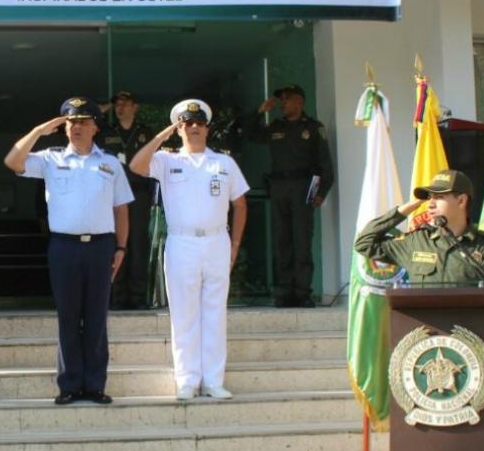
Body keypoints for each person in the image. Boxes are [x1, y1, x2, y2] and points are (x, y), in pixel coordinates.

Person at [5, 97, 133, 405]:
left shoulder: (111, 163)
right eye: (72, 123)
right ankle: (70, 385)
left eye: (83, 122)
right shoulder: (51, 158)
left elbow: (121, 210)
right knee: (68, 317)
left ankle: (95, 385)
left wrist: (121, 247)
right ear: (64, 128)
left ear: (95, 127)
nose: (77, 128)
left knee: (96, 317)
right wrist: (39, 131)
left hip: (101, 247)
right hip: (64, 247)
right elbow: (13, 161)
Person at [130, 99, 249, 400]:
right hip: (181, 242)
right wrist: (161, 136)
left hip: (216, 241)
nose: (194, 127)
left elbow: (240, 204)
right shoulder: (167, 160)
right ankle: (187, 379)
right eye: (187, 123)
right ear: (179, 128)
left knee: (215, 312)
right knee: (184, 314)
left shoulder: (223, 163)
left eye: (199, 123)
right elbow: (136, 165)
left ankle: (213, 381)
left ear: (207, 129)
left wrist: (235, 245)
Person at [354, 169, 484, 379]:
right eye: (430, 197)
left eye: (439, 197)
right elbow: (364, 243)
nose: (431, 204)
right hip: (420, 360)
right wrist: (405, 209)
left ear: (461, 200)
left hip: (471, 362)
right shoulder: (416, 242)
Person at [245, 84, 335, 308]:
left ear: (299, 102)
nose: (283, 103)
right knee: (282, 241)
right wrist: (259, 112)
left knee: (302, 240)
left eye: (287, 99)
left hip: (303, 187)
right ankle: (284, 292)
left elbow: (324, 163)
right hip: (279, 187)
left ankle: (303, 292)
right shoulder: (276, 127)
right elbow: (251, 134)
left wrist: (321, 192)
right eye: (282, 100)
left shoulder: (313, 128)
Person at [99, 91, 155, 309]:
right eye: (117, 104)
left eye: (125, 103)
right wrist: (104, 108)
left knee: (138, 244)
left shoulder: (145, 133)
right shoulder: (106, 132)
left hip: (139, 194)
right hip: (113, 196)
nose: (120, 108)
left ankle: (137, 297)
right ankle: (117, 296)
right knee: (116, 244)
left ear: (135, 107)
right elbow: (85, 122)